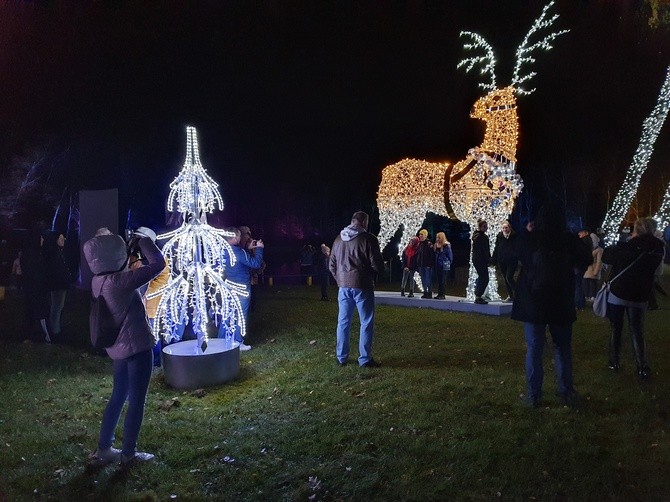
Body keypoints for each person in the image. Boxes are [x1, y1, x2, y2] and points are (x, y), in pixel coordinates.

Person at [84, 227, 165, 466]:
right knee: (137, 400)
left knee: (118, 395)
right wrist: (145, 243)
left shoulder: (98, 281)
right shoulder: (119, 282)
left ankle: (104, 448)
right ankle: (129, 453)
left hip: (118, 348)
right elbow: (158, 265)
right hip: (137, 348)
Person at [511, 205, 592, 408]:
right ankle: (566, 390)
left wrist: (528, 233)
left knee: (534, 348)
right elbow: (586, 258)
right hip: (560, 300)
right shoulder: (568, 239)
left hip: (534, 301)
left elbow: (515, 252)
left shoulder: (531, 238)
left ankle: (534, 394)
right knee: (562, 347)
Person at [601, 217, 664, 380]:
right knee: (637, 330)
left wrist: (624, 243)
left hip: (619, 292)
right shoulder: (657, 248)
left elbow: (607, 257)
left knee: (616, 328)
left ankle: (614, 361)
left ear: (636, 230)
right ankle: (642, 366)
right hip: (640, 293)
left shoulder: (626, 247)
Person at [329, 211, 385, 368]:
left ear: (352, 221)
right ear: (364, 223)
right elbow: (377, 264)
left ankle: (341, 357)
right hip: (362, 285)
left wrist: (340, 279)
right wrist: (375, 275)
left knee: (343, 322)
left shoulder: (339, 239)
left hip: (343, 287)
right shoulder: (368, 239)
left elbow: (331, 264)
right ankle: (365, 358)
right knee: (366, 321)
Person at [218, 227, 265, 351]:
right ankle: (238, 342)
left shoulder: (222, 250)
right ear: (234, 237)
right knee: (240, 315)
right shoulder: (239, 252)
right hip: (241, 288)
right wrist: (259, 248)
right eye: (239, 236)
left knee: (227, 314)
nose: (240, 238)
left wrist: (246, 250)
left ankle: (221, 341)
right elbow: (256, 263)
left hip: (227, 287)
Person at [20, 225, 50, 342]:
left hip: (32, 290)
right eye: (41, 237)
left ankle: (35, 335)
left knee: (33, 313)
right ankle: (43, 336)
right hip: (36, 290)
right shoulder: (34, 255)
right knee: (39, 313)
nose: (43, 240)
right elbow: (37, 274)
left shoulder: (28, 253)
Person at [43, 231, 73, 341]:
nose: (63, 239)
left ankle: (57, 329)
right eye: (61, 238)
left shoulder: (59, 252)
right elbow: (57, 271)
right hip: (58, 285)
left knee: (59, 307)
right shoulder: (55, 254)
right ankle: (55, 330)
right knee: (57, 307)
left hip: (60, 284)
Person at [491, 220, 518, 302]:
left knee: (509, 277)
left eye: (506, 227)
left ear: (509, 228)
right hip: (502, 261)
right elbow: (497, 249)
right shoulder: (500, 236)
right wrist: (493, 260)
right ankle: (511, 296)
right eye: (503, 228)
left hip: (512, 260)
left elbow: (517, 248)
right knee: (506, 279)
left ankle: (518, 293)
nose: (505, 229)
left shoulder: (514, 236)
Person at [472, 219, 491, 305]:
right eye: (484, 226)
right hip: (480, 260)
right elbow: (483, 250)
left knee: (482, 277)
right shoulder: (480, 237)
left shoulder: (481, 236)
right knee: (485, 278)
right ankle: (478, 296)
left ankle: (477, 294)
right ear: (480, 227)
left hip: (480, 260)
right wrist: (487, 259)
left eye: (486, 226)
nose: (486, 228)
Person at [574, 229, 592, 310]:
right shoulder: (588, 241)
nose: (579, 233)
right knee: (579, 284)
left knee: (578, 285)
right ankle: (581, 302)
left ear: (586, 233)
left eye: (581, 232)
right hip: (583, 265)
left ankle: (578, 303)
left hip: (579, 265)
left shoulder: (584, 241)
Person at [583, 233, 603, 302]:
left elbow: (599, 261)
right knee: (586, 283)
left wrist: (596, 271)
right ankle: (586, 295)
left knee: (592, 284)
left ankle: (593, 296)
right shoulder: (588, 248)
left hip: (593, 269)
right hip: (587, 269)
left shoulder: (599, 250)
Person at [415, 228, 435, 299]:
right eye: (420, 234)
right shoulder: (420, 244)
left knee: (428, 279)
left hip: (427, 265)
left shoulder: (429, 244)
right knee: (423, 279)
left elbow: (432, 255)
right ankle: (425, 292)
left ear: (425, 235)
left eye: (422, 234)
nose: (420, 236)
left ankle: (429, 293)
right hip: (421, 265)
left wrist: (430, 264)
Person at [433, 232, 453, 300]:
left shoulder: (446, 245)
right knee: (439, 280)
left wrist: (448, 263)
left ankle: (442, 294)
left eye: (439, 237)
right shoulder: (436, 245)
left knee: (443, 280)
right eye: (437, 237)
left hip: (444, 265)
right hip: (438, 264)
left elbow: (450, 256)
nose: (437, 239)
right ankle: (439, 294)